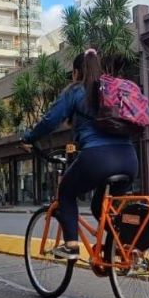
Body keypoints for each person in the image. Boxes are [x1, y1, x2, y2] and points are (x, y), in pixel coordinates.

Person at [21, 49, 138, 260]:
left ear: (75, 73)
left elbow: (50, 121)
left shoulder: (76, 91)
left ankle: (72, 245)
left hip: (97, 158)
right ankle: (123, 247)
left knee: (66, 191)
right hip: (129, 159)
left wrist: (29, 137)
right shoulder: (114, 88)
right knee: (101, 207)